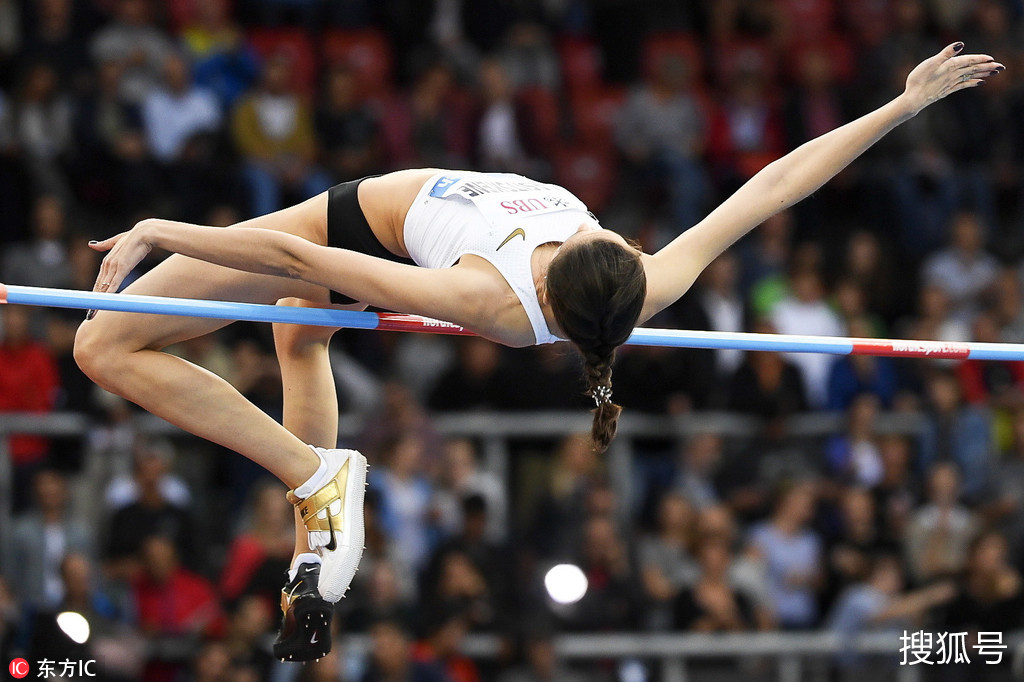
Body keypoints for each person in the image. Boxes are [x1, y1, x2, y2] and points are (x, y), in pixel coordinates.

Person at [74, 45, 1002, 661]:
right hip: (358, 248)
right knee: (301, 338)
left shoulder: (486, 298)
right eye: (600, 233)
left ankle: (317, 476)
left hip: (358, 220)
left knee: (102, 345)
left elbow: (297, 253)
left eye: (578, 244)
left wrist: (166, 225)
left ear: (554, 289)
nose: (585, 230)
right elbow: (774, 185)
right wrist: (901, 104)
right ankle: (319, 519)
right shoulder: (648, 279)